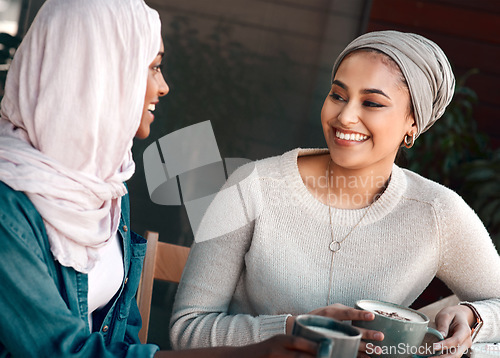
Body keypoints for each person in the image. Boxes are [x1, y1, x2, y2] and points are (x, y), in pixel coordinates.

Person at [0, 0, 320, 357]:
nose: (164, 86)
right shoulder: (7, 206)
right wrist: (251, 352)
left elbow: (122, 330)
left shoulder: (105, 186)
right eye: (152, 67)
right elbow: (59, 352)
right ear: (100, 73)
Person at [170, 30, 500, 357]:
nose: (344, 116)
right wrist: (293, 330)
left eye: (371, 102)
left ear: (412, 122)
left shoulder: (436, 212)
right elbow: (187, 330)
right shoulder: (251, 187)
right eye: (338, 95)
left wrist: (475, 316)